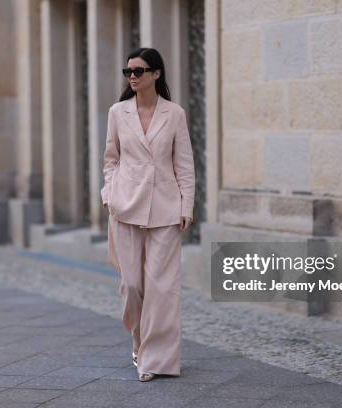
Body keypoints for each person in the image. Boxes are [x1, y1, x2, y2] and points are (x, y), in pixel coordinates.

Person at [101, 47, 195, 382]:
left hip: (166, 210)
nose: (132, 77)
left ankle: (157, 360)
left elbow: (184, 163)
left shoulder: (175, 114)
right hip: (125, 207)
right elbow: (111, 159)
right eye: (128, 72)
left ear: (156, 74)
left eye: (139, 71)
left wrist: (187, 206)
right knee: (133, 286)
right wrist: (109, 193)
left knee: (163, 288)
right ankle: (139, 342)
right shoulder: (117, 112)